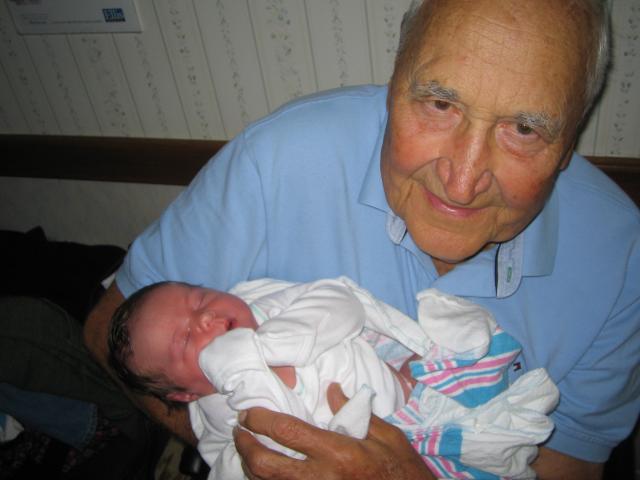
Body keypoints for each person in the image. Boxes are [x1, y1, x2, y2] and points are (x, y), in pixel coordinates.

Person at [84, 0, 640, 478]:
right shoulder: (278, 159)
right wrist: (242, 447)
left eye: (524, 129)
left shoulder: (621, 258)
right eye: (440, 103)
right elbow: (108, 324)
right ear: (393, 82)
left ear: (568, 141)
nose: (463, 180)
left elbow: (571, 463)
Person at [107, 277, 559, 479]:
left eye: (199, 298)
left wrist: (269, 345)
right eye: (185, 341)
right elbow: (239, 469)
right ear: (186, 393)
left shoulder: (266, 304)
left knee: (465, 345)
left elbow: (339, 300)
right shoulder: (217, 420)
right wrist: (246, 381)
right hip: (360, 457)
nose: (205, 318)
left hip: (408, 395)